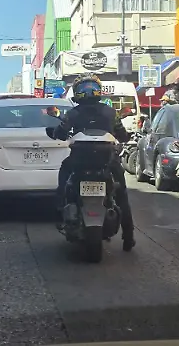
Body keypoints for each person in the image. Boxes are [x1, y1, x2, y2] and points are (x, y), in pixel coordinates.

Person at [52, 74, 135, 252]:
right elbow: (122, 134)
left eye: (90, 88)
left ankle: (60, 207)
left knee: (63, 176)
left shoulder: (73, 113)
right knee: (122, 195)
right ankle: (128, 236)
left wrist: (57, 132)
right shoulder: (110, 112)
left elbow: (60, 132)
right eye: (85, 88)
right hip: (107, 161)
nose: (88, 91)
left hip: (79, 161)